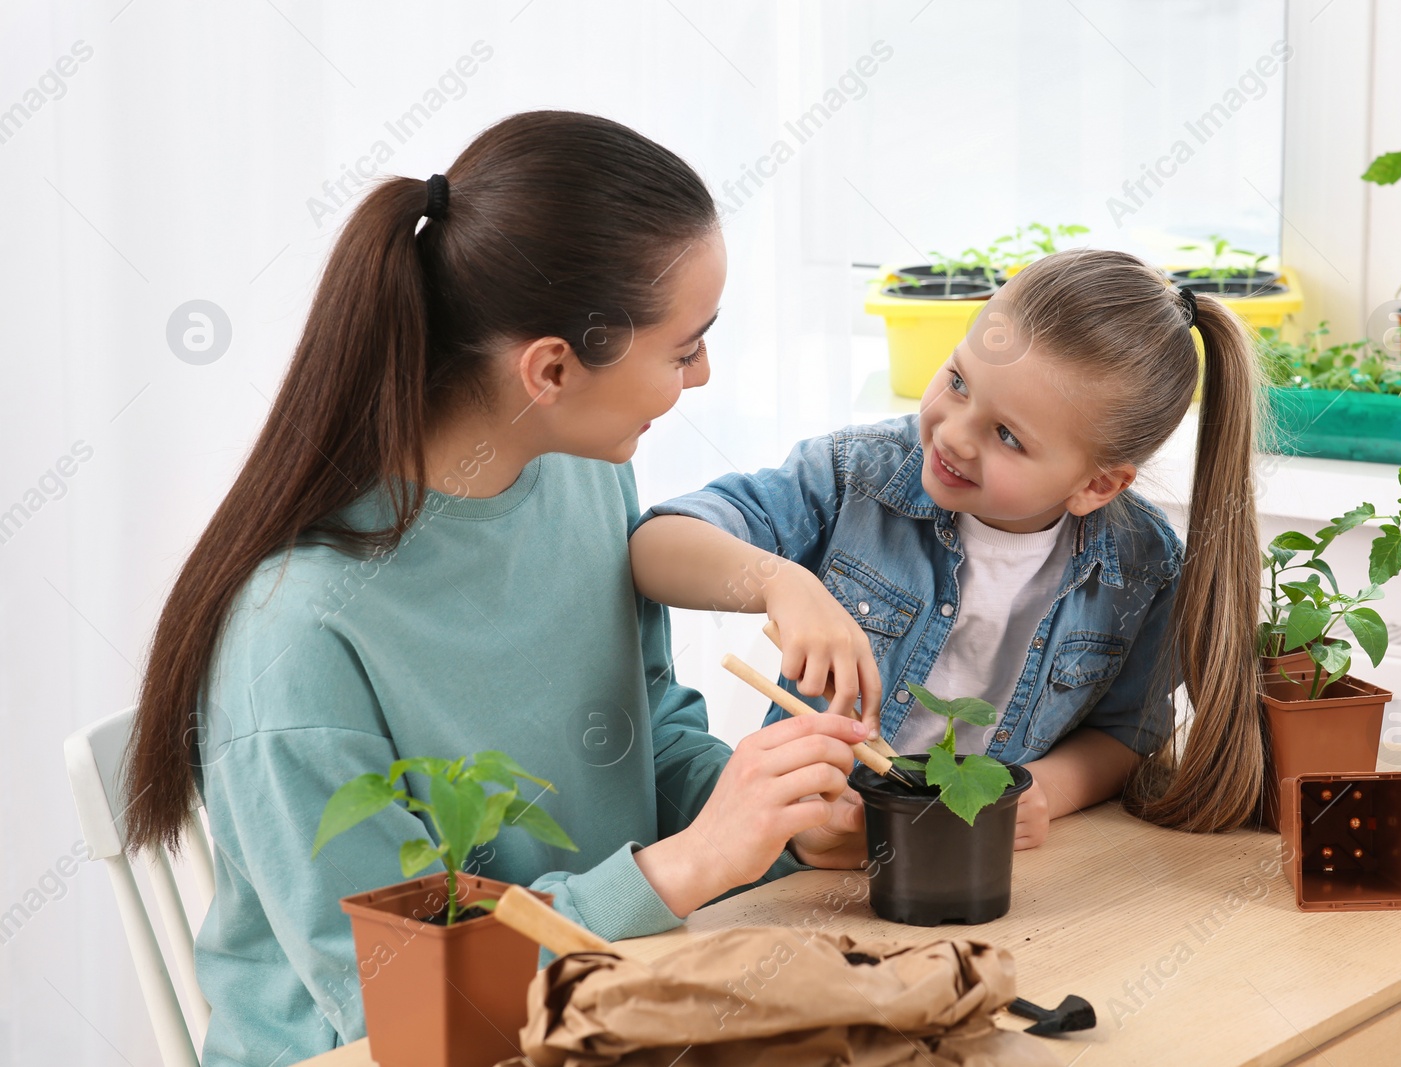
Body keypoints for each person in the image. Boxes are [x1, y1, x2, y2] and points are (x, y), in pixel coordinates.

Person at [122, 111, 868, 1067]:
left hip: (604, 1007)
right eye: (684, 350)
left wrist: (781, 822)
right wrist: (686, 865)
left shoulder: (586, 477)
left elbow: (648, 736)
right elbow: (389, 999)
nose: (704, 373)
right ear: (551, 367)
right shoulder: (298, 637)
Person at [629, 248, 1266, 849]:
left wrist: (1047, 792)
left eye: (1008, 437)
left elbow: (1129, 734)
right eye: (959, 381)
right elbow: (656, 547)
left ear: (1097, 484)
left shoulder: (1144, 568)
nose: (954, 435)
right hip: (809, 847)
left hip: (974, 859)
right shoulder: (855, 475)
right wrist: (779, 583)